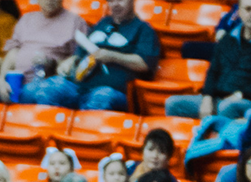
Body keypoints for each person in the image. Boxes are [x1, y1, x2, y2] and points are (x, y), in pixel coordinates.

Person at [23, 0, 158, 111]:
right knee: (48, 89)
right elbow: (80, 52)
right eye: (111, 1)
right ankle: (51, 137)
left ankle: (82, 141)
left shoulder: (143, 29)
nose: (115, 4)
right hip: (78, 86)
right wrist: (72, 60)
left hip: (110, 90)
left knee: (100, 99)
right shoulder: (102, 23)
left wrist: (111, 56)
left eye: (120, 0)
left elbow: (144, 63)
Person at [167, 0, 251, 120]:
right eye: (248, 9)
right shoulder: (227, 38)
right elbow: (213, 70)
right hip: (217, 98)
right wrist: (207, 97)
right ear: (239, 12)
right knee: (172, 104)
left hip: (245, 101)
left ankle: (219, 138)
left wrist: (241, 94)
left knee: (227, 107)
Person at [0, 0, 85, 103]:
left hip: (46, 82)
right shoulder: (26, 19)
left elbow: (78, 61)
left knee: (42, 92)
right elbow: (12, 53)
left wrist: (52, 62)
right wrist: (1, 80)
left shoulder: (75, 22)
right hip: (16, 79)